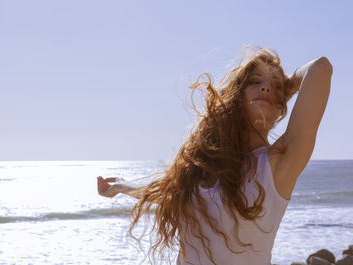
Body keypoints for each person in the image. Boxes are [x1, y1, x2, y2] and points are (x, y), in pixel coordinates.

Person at [97, 46, 333, 265]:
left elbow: (320, 68)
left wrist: (286, 87)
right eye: (255, 81)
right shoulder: (202, 168)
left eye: (274, 85)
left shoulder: (279, 164)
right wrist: (121, 186)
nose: (265, 87)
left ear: (281, 107)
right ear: (236, 97)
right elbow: (163, 191)